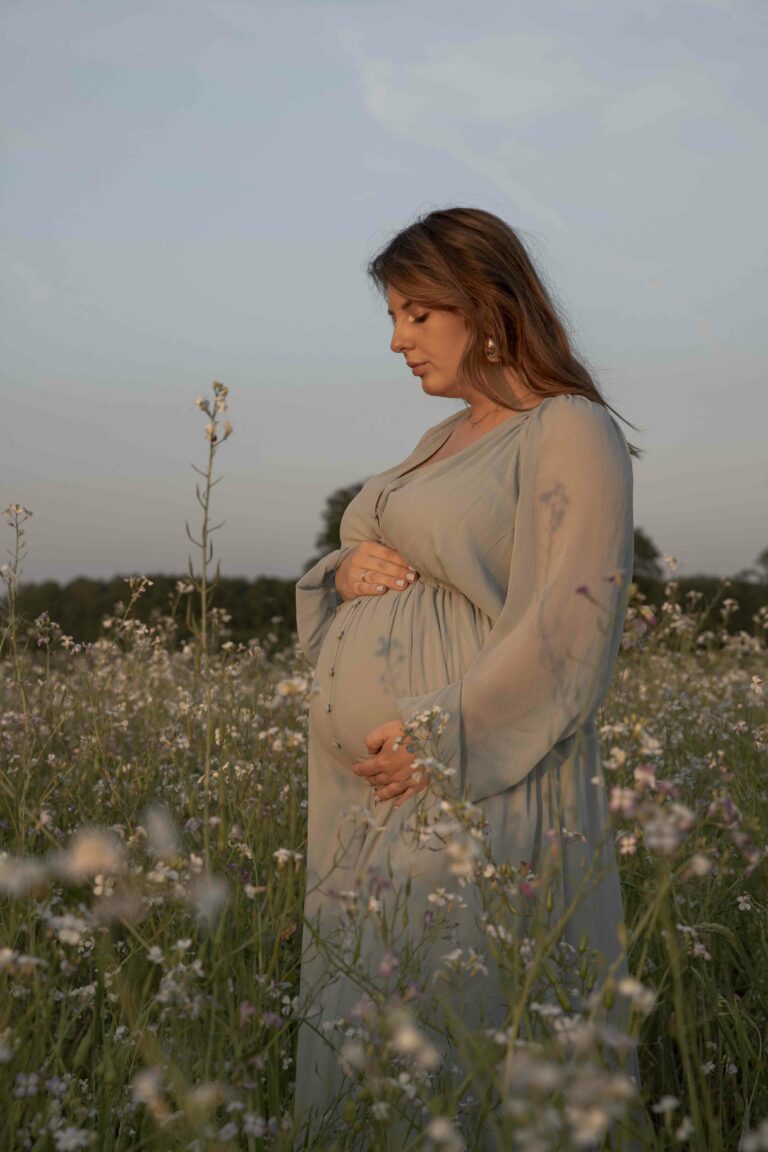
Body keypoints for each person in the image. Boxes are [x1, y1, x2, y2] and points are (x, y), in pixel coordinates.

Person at [293, 207, 643, 1148]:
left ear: (484, 304)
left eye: (416, 313)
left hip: (478, 777)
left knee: (467, 1031)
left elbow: (572, 625)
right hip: (371, 786)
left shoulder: (567, 428)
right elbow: (382, 552)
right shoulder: (439, 440)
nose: (396, 339)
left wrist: (441, 738)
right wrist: (341, 570)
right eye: (396, 316)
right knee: (379, 1029)